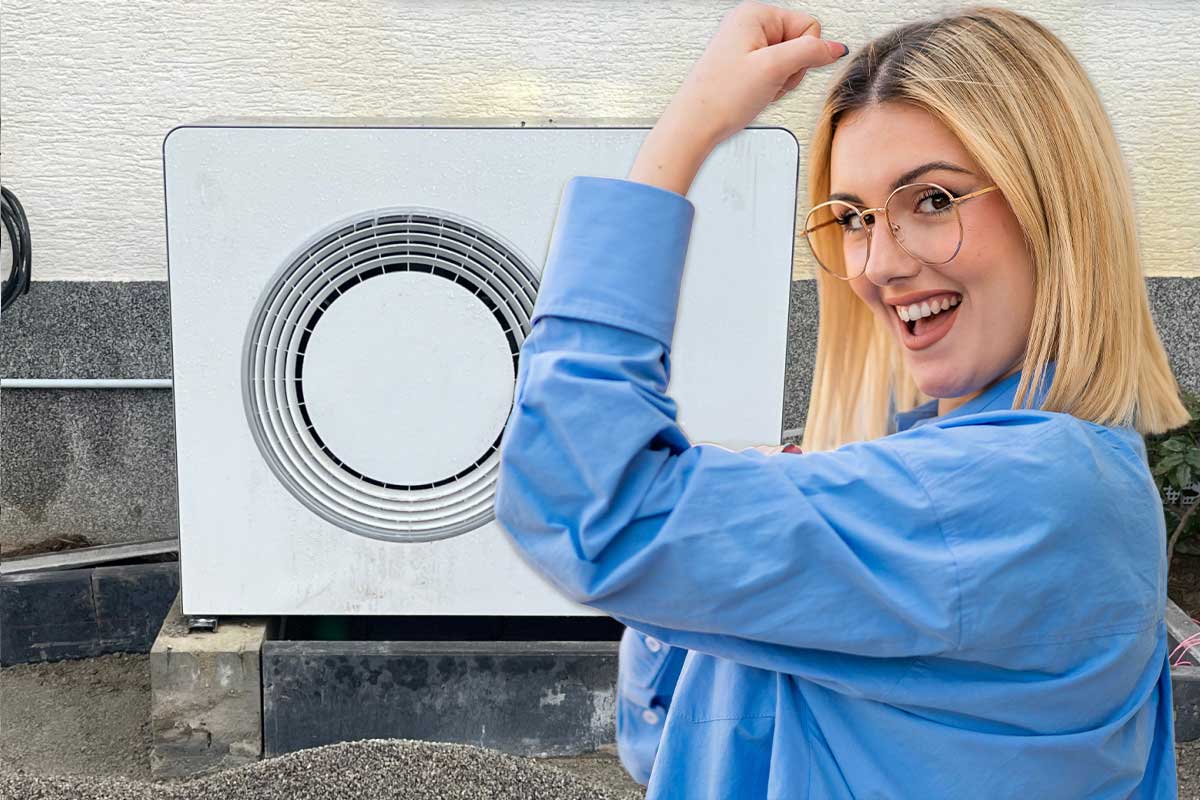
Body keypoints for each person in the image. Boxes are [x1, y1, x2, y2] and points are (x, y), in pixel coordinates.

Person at [493, 1, 1191, 797]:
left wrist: (681, 139)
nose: (877, 264)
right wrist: (748, 522)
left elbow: (589, 508)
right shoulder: (1020, 478)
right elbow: (663, 739)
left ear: (1052, 206)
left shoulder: (1021, 491)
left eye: (932, 199)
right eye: (854, 217)